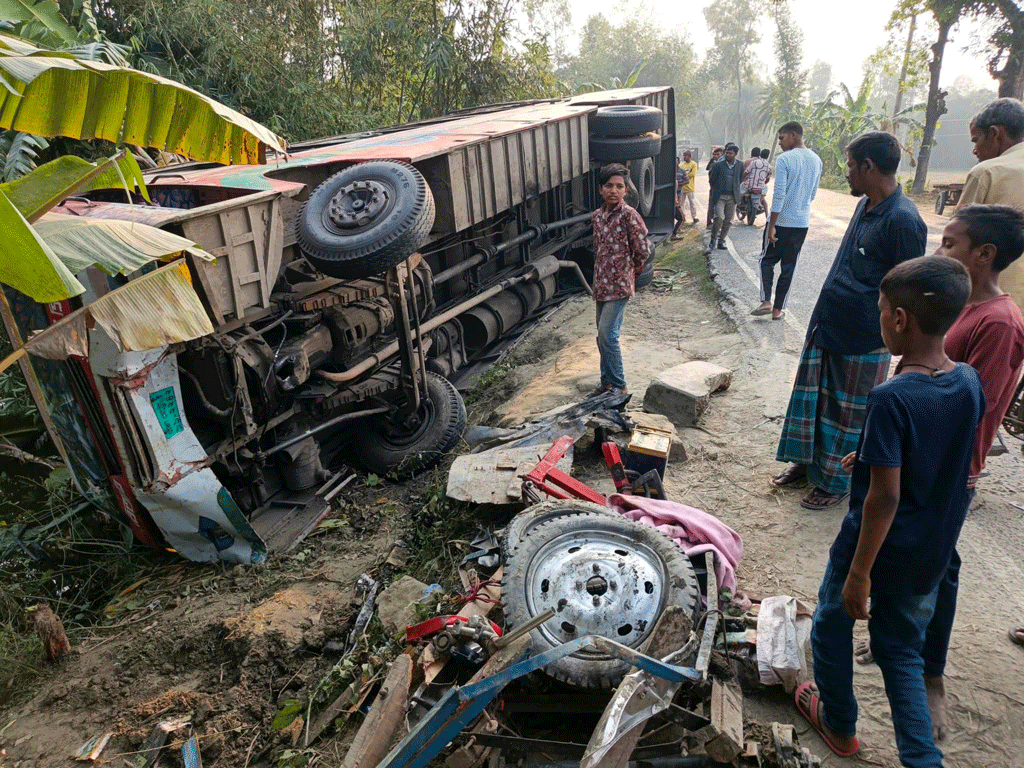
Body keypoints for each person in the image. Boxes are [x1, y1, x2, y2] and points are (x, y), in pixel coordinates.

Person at [797, 254, 983, 767]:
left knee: (831, 628)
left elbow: (886, 497)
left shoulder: (891, 397)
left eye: (881, 311)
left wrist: (859, 574)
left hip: (872, 549)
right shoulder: (966, 380)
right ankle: (922, 759)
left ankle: (839, 724)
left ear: (900, 319)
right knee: (902, 652)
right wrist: (873, 456)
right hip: (928, 554)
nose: (880, 320)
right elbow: (940, 454)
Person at [852, 205, 1024, 737]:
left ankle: (930, 674)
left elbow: (980, 412)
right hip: (918, 459)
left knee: (937, 567)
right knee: (913, 559)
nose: (939, 252)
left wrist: (917, 467)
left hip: (948, 471)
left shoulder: (998, 323)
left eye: (949, 244)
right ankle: (896, 634)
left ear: (984, 255)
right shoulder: (955, 308)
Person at [773, 132, 927, 509]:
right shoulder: (866, 205)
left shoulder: (904, 221)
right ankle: (810, 465)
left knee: (848, 413)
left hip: (864, 334)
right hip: (830, 323)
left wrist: (901, 348)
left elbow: (908, 293)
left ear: (869, 167)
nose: (846, 173)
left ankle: (836, 480)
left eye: (850, 166)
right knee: (817, 401)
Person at [956, 98, 1024, 313]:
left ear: (995, 133)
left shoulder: (987, 172)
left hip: (991, 308)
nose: (975, 150)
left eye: (976, 141)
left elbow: (956, 241)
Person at [752, 122, 823, 320]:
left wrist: (772, 224)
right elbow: (812, 195)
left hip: (781, 221)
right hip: (801, 223)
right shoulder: (817, 161)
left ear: (793, 135)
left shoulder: (784, 159)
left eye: (782, 138)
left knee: (766, 260)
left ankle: (766, 300)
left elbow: (780, 195)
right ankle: (777, 310)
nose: (780, 143)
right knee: (789, 267)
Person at [589, 163, 649, 396]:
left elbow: (643, 248)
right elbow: (598, 249)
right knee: (602, 336)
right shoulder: (597, 216)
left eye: (619, 186)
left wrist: (633, 269)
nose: (614, 190)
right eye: (609, 186)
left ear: (626, 190)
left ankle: (619, 386)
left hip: (620, 285)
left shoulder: (629, 215)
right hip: (601, 285)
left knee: (608, 334)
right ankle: (606, 384)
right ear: (601, 190)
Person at [709, 143, 742, 250]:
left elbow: (740, 179)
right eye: (726, 152)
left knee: (728, 221)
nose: (727, 155)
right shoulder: (718, 165)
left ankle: (721, 241)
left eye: (730, 153)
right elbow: (712, 180)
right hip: (720, 196)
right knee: (719, 218)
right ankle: (713, 238)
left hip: (732, 197)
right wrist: (716, 191)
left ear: (735, 154)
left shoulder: (740, 165)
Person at [741, 149, 771, 223]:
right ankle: (767, 217)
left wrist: (742, 179)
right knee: (764, 199)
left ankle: (739, 203)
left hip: (749, 185)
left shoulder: (753, 162)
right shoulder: (768, 165)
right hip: (761, 187)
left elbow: (746, 172)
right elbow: (768, 177)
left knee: (740, 190)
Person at [679, 150, 699, 228]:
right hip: (682, 187)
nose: (684, 157)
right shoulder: (681, 165)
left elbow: (693, 174)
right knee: (681, 203)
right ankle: (683, 217)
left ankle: (694, 217)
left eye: (686, 156)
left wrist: (684, 175)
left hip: (690, 186)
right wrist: (685, 175)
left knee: (692, 202)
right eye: (684, 155)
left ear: (690, 156)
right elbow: (679, 174)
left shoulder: (693, 164)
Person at [706, 146, 725, 228]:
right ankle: (709, 222)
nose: (715, 156)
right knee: (711, 205)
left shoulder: (725, 162)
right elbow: (708, 169)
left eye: (717, 154)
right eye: (714, 154)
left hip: (723, 189)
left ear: (722, 154)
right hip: (714, 188)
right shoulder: (714, 163)